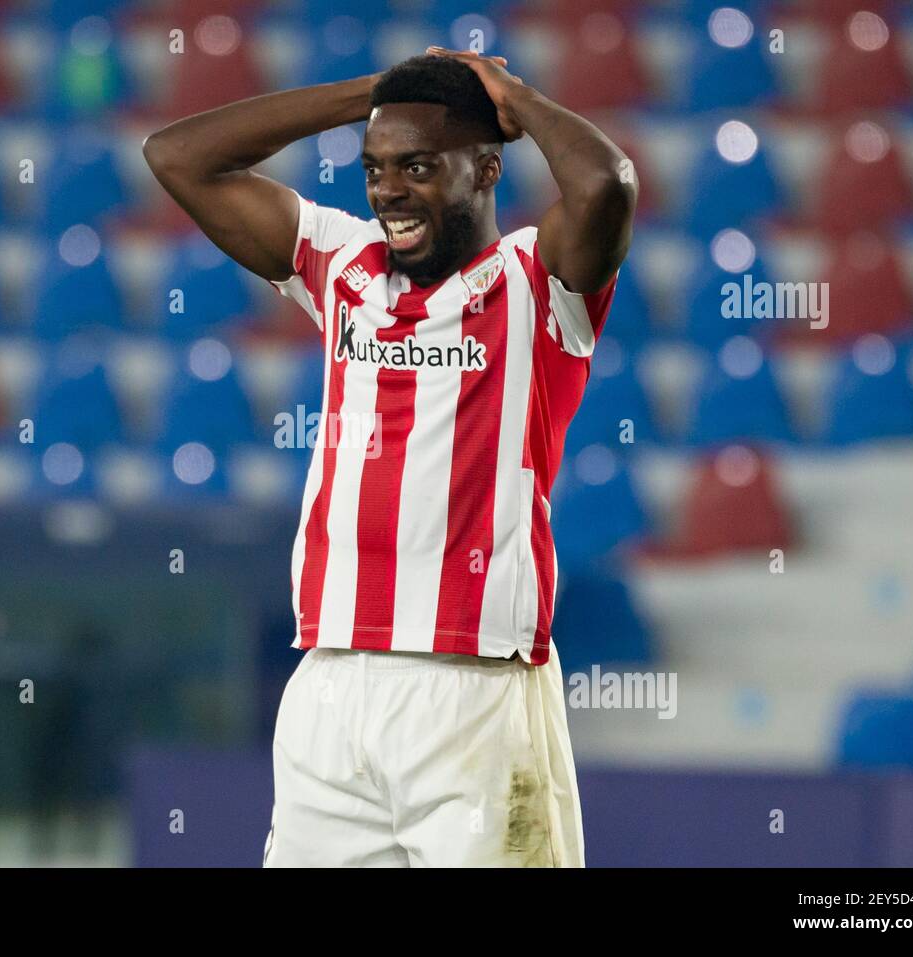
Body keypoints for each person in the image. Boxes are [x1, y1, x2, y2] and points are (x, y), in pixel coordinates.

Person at [144, 48, 636, 867]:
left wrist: (509, 96)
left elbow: (606, 185)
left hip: (475, 690)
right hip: (331, 684)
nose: (388, 191)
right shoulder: (345, 268)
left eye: (417, 166)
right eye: (375, 169)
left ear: (485, 170)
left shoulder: (534, 284)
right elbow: (178, 156)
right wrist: (374, 95)